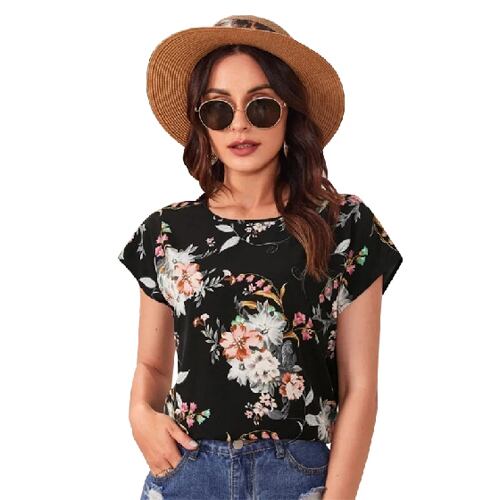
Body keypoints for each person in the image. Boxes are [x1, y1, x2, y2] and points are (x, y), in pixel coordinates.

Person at [118, 14, 403, 500]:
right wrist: (140, 415)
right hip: (187, 470)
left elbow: (360, 388)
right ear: (202, 123)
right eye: (219, 109)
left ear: (290, 113)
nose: (240, 124)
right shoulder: (165, 232)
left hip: (299, 475)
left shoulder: (344, 226)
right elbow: (152, 365)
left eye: (262, 106)